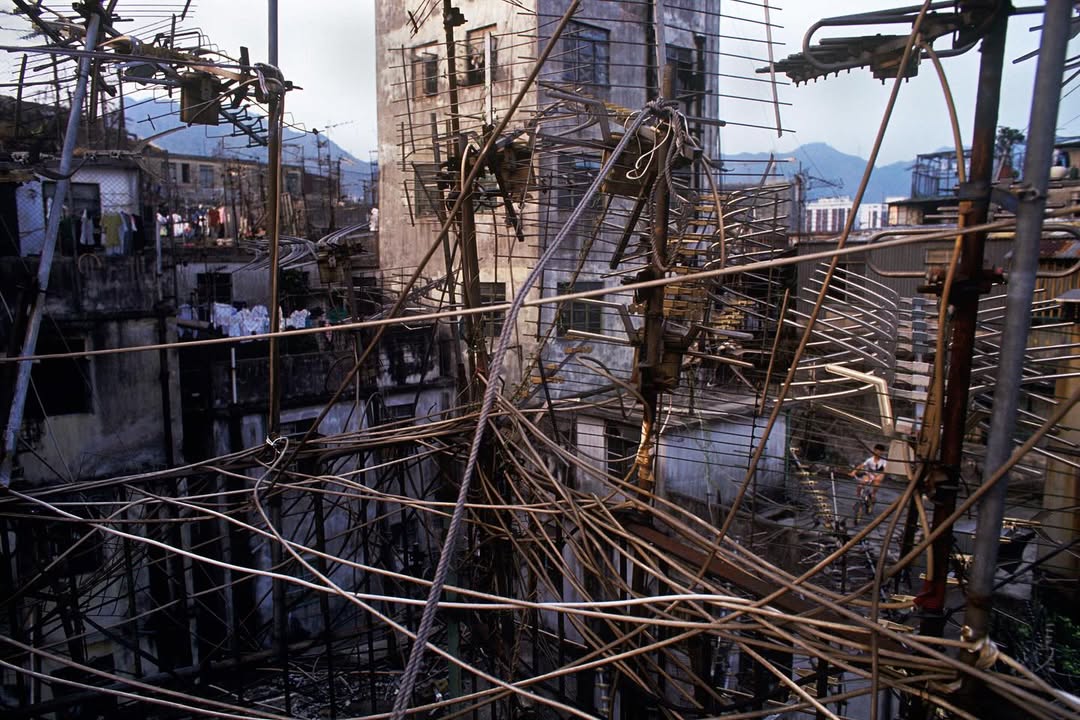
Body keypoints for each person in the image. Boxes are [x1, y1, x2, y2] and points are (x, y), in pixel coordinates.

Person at [851, 443, 887, 520]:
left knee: (877, 482)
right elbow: (861, 466)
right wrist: (854, 472)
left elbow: (885, 470)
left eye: (880, 452)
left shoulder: (883, 461)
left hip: (877, 476)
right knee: (861, 484)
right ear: (874, 451)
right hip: (869, 475)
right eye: (877, 451)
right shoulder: (870, 460)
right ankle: (858, 497)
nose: (878, 453)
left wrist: (880, 476)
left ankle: (873, 495)